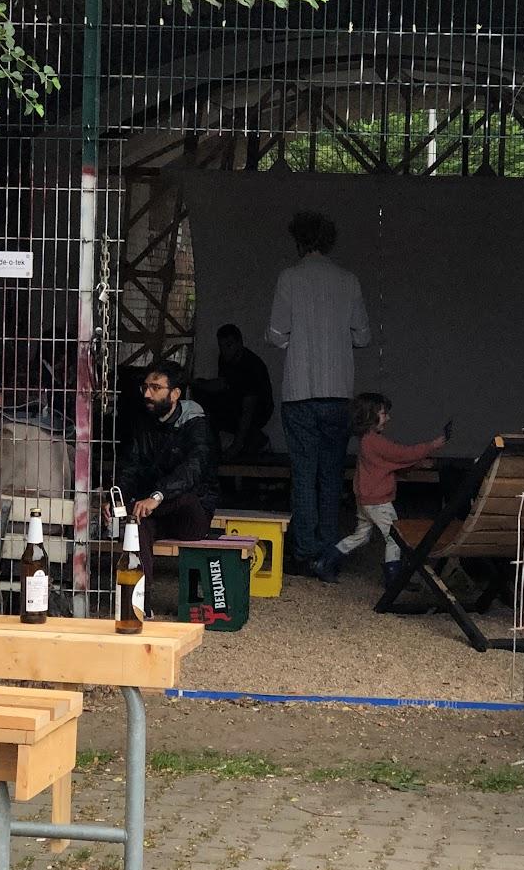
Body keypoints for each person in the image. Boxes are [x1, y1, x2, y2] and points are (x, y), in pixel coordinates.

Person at [266, 210, 371, 575]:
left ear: (298, 240)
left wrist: (298, 338)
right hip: (339, 393)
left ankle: (306, 550)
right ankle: (330, 548)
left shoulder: (289, 278)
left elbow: (276, 333)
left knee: (304, 472)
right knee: (331, 474)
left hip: (300, 391)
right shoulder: (348, 280)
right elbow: (363, 335)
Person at [104, 360, 219, 612]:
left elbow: (194, 469)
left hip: (191, 517)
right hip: (155, 512)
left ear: (175, 394)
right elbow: (131, 466)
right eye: (145, 387)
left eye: (156, 388)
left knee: (181, 496)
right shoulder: (143, 421)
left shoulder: (195, 422)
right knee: (137, 522)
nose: (147, 394)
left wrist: (157, 495)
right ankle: (138, 606)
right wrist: (118, 499)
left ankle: (137, 507)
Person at [314, 393, 451, 587]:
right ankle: (393, 579)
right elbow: (402, 454)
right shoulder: (375, 441)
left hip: (366, 499)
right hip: (378, 501)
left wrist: (418, 463)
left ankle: (325, 561)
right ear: (371, 416)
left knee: (361, 536)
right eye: (384, 413)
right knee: (395, 537)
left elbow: (389, 463)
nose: (388, 418)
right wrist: (432, 446)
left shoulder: (367, 441)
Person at [194, 324, 274, 459]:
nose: (225, 351)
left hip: (257, 409)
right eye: (222, 347)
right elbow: (222, 384)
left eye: (229, 345)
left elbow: (249, 408)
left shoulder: (252, 366)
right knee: (203, 397)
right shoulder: (225, 359)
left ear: (239, 343)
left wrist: (236, 447)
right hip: (236, 403)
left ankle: (256, 440)